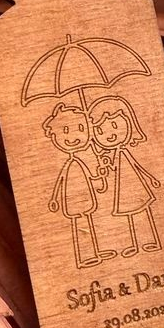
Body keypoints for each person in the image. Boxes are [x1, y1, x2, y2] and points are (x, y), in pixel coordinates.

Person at [43, 102, 115, 268]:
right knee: (80, 226)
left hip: (85, 198)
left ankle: (95, 252)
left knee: (88, 222)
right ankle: (85, 256)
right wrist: (54, 199)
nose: (74, 136)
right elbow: (60, 181)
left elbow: (90, 176)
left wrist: (100, 178)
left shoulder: (79, 162)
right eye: (65, 130)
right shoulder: (70, 164)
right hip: (73, 200)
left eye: (81, 128)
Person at [88, 95, 161, 257]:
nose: (110, 135)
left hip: (136, 186)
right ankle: (136, 244)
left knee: (144, 212)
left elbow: (137, 166)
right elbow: (113, 169)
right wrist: (104, 166)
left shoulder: (124, 152)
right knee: (130, 215)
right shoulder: (113, 154)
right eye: (100, 130)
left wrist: (151, 179)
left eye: (114, 125)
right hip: (124, 190)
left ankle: (152, 241)